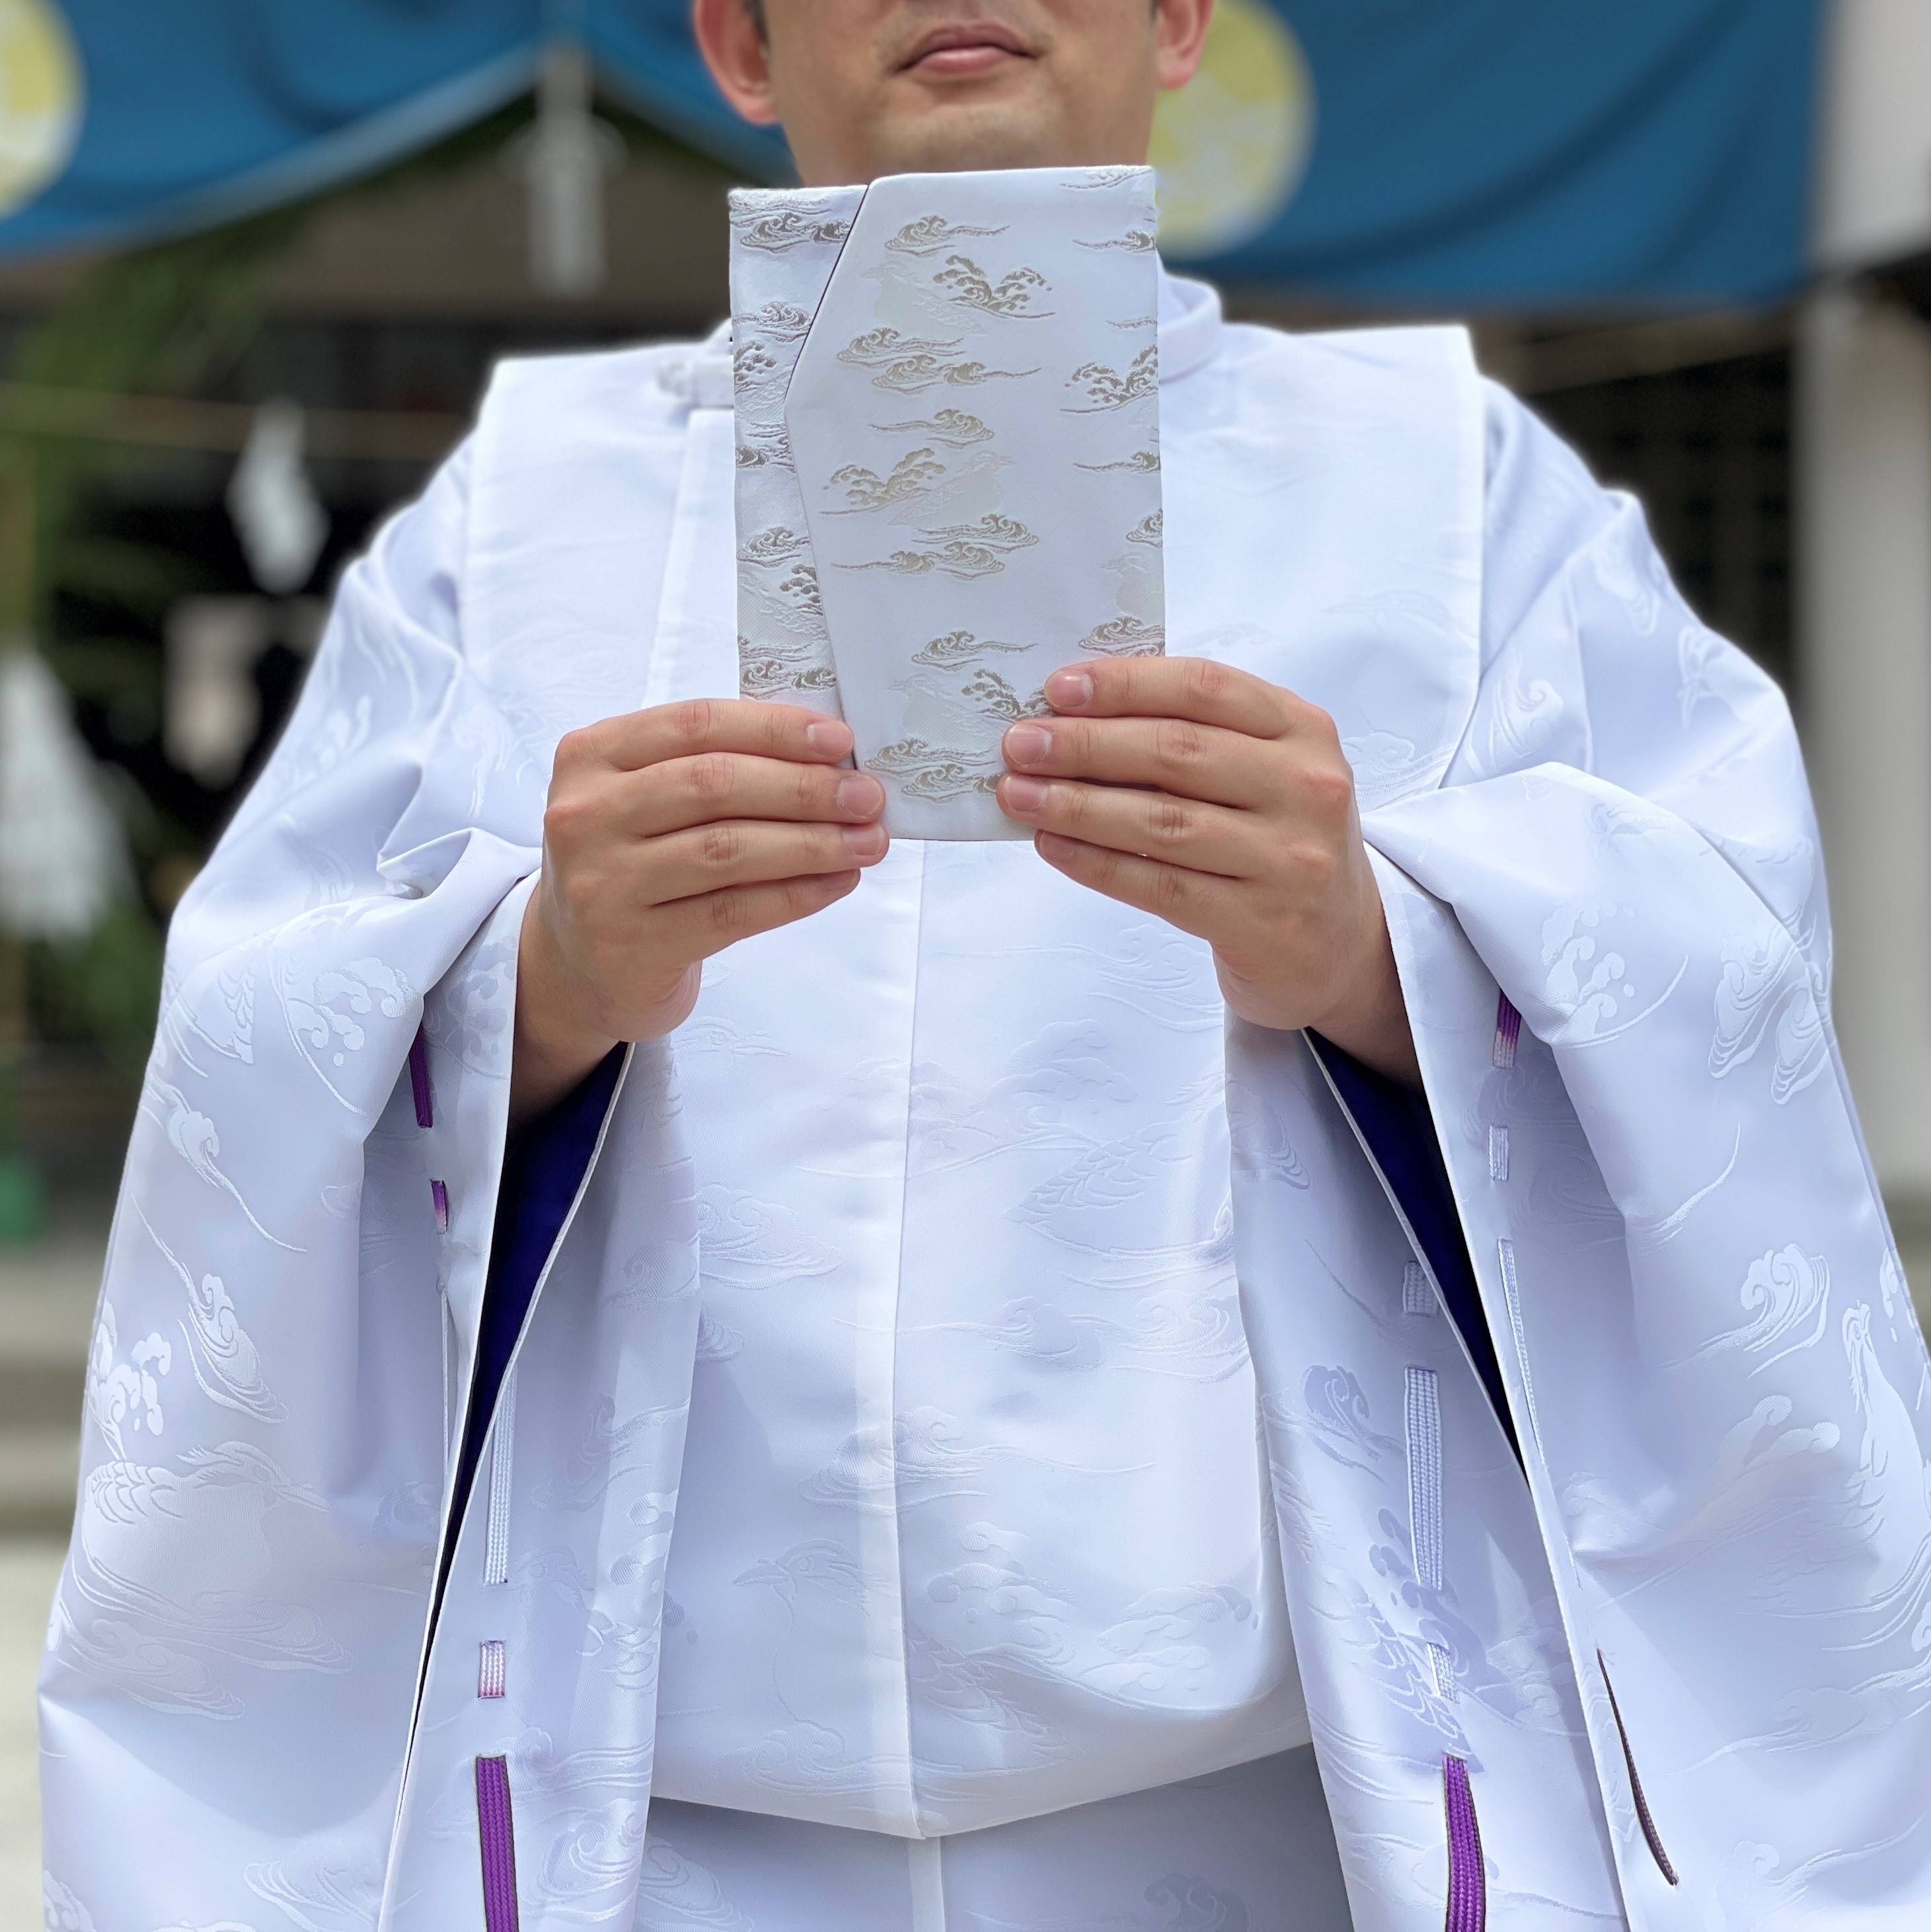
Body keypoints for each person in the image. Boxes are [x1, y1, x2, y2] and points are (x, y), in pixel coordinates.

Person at [39, 1, 1931, 1926]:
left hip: (1277, 1813)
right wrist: (536, 979)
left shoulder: (1445, 493)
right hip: (662, 1820)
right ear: (738, 44)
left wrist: (1377, 951)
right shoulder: (516, 518)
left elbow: (1721, 973)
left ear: (1181, 18)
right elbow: (265, 1032)